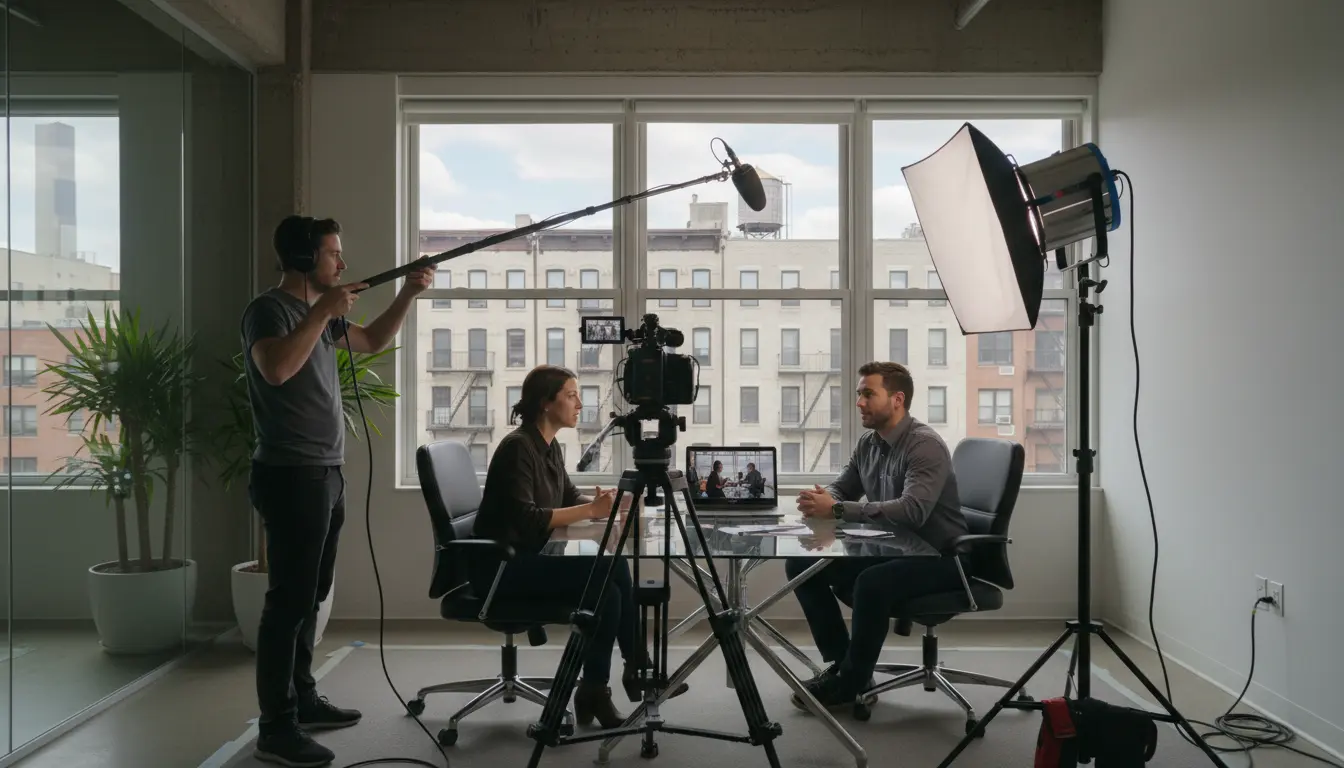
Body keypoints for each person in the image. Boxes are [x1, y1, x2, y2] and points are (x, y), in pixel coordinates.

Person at [242, 215, 433, 767]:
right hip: (290, 475)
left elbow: (371, 339)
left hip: (326, 473)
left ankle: (302, 698)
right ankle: (275, 729)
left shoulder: (317, 314)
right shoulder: (269, 311)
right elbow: (277, 369)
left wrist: (408, 293)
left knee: (312, 594)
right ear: (304, 260)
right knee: (288, 603)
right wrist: (322, 312)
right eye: (333, 255)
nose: (342, 264)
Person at [472, 365, 689, 729]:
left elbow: (566, 496)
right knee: (612, 568)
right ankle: (634, 669)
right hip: (503, 569)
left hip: (531, 558)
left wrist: (605, 502)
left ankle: (597, 689)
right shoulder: (517, 448)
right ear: (545, 402)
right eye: (571, 395)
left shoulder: (546, 445)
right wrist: (590, 510)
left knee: (609, 596)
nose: (579, 403)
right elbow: (527, 518)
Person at [786, 361, 970, 712]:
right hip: (894, 551)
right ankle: (845, 664)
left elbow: (912, 510)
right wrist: (823, 500)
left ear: (897, 399)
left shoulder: (924, 446)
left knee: (872, 582)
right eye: (859, 394)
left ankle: (850, 683)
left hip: (942, 558)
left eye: (868, 394)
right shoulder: (869, 443)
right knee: (802, 564)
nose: (859, 402)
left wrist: (838, 510)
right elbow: (844, 487)